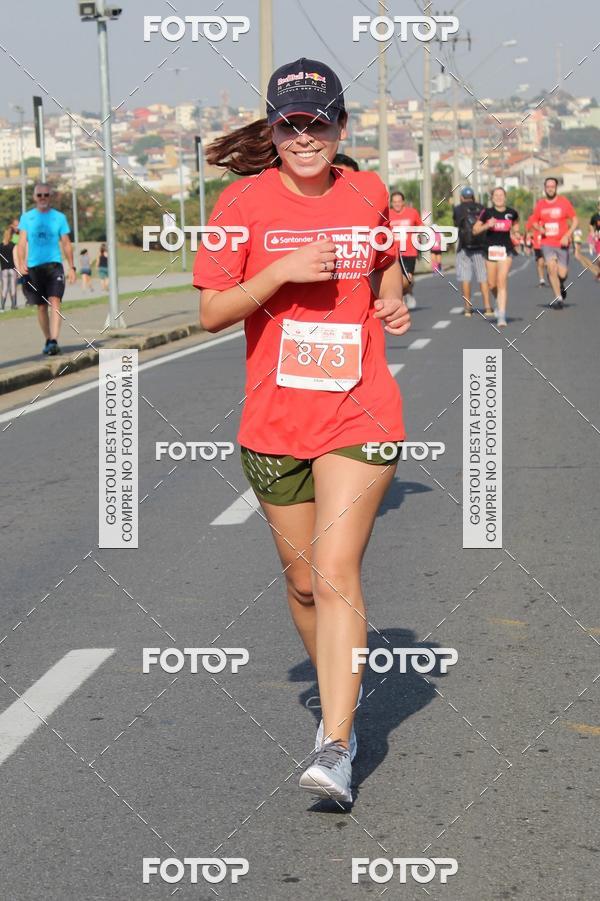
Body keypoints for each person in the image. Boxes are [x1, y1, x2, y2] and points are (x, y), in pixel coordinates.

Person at [194, 57, 411, 805]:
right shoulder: (242, 203)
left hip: (362, 410)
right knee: (302, 583)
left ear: (341, 126)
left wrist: (391, 297)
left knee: (334, 568)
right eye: (291, 125)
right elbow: (214, 311)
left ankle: (338, 741)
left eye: (319, 122)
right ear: (275, 131)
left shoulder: (367, 190)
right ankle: (334, 689)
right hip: (275, 421)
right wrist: (282, 270)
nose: (306, 137)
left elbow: (388, 260)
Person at [14, 184, 76, 355]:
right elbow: (21, 243)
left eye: (46, 195)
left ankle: (55, 340)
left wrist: (72, 266)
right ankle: (48, 338)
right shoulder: (27, 218)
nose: (43, 198)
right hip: (34, 267)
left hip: (54, 265)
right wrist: (20, 263)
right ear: (34, 197)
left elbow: (66, 243)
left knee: (55, 301)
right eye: (39, 195)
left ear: (51, 197)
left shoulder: (59, 218)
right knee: (41, 306)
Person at [473, 186, 520, 328]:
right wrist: (487, 225)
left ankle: (502, 315)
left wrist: (516, 233)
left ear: (505, 197)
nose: (499, 197)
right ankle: (497, 301)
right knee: (491, 284)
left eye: (501, 195)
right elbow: (475, 230)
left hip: (506, 250)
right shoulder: (487, 213)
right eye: (496, 195)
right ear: (492, 198)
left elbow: (516, 225)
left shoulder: (511, 213)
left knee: (501, 282)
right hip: (490, 250)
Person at [530, 177, 577, 309]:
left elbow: (575, 220)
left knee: (562, 274)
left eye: (553, 186)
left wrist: (567, 235)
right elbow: (533, 221)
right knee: (551, 268)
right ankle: (558, 298)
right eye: (548, 186)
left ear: (556, 188)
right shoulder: (540, 204)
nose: (550, 188)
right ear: (545, 188)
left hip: (562, 242)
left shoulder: (564, 202)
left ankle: (560, 284)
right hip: (547, 242)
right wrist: (540, 228)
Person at [452, 186, 493, 318]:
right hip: (480, 247)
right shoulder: (482, 208)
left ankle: (468, 308)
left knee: (465, 278)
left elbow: (456, 224)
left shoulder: (458, 209)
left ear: (462, 197)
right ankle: (487, 307)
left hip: (464, 247)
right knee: (483, 278)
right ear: (473, 197)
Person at [388, 191, 423, 310]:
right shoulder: (387, 214)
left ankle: (408, 292)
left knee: (408, 278)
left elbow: (420, 227)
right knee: (396, 278)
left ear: (403, 202)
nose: (397, 204)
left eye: (399, 201)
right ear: (391, 203)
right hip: (393, 252)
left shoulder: (412, 213)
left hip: (409, 251)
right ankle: (401, 299)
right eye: (394, 202)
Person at [525, 213, 547, 286]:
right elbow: (528, 231)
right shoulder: (532, 218)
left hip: (549, 243)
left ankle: (553, 276)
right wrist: (528, 245)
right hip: (537, 244)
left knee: (549, 263)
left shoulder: (548, 215)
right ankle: (542, 280)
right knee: (540, 262)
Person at [0, 227, 18, 310]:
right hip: (12, 269)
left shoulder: (0, 246)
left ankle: (2, 307)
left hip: (4, 270)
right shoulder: (13, 245)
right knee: (13, 287)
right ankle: (13, 306)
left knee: (4, 288)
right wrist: (17, 269)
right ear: (11, 236)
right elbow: (15, 258)